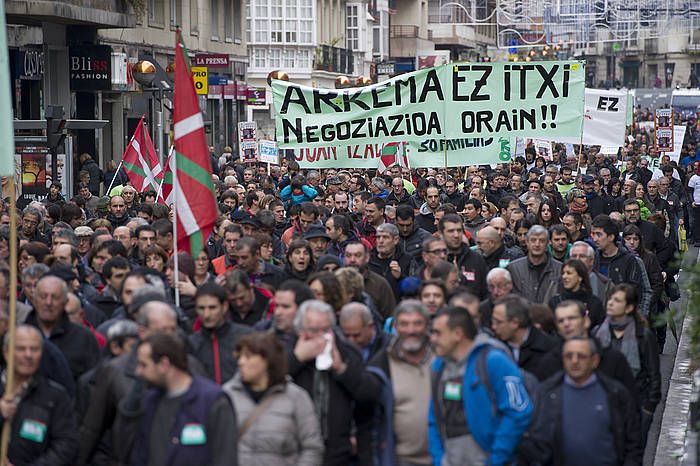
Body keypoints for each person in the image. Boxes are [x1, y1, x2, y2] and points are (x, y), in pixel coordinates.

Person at [428, 306, 532, 466]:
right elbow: (434, 418)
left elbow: (518, 412)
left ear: (457, 334)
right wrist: (439, 460)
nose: (432, 339)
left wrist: (496, 459)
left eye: (438, 333)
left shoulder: (493, 361)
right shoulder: (438, 367)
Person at [131, 332, 238, 466]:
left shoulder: (212, 401)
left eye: (144, 365)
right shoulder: (150, 402)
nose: (138, 371)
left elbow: (225, 458)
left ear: (164, 364)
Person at [285, 300, 370, 466]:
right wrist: (296, 359)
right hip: (294, 449)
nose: (320, 337)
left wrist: (341, 369)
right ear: (300, 330)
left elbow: (365, 393)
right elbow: (269, 383)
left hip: (339, 450)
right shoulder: (286, 348)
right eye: (313, 331)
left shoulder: (348, 352)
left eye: (325, 330)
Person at [536, 337, 643, 465]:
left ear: (594, 360)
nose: (574, 361)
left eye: (581, 356)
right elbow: (536, 441)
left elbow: (633, 442)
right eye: (569, 356)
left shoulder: (615, 393)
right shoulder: (546, 393)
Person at [223, 332, 324, 465]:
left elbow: (312, 448)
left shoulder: (296, 397)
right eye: (240, 357)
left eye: (248, 357)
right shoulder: (227, 395)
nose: (241, 362)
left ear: (267, 361)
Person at [359, 300, 434, 466]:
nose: (411, 330)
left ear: (427, 325)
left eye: (417, 323)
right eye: (404, 324)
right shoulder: (381, 365)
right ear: (395, 327)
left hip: (442, 458)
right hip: (398, 459)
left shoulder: (442, 360)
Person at [0, 325, 79, 465]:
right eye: (21, 349)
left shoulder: (55, 396)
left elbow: (66, 445)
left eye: (34, 349)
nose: (28, 355)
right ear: (6, 353)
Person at [594, 284, 661, 446]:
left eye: (616, 300)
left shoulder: (643, 335)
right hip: (602, 404)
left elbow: (654, 375)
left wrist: (648, 409)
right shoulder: (598, 332)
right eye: (610, 299)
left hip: (635, 404)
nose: (610, 303)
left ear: (629, 307)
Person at [189, 282, 252, 384]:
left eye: (212, 308)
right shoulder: (191, 344)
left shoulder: (246, 336)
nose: (206, 314)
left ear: (225, 306)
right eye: (201, 308)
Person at [491, 294, 558, 376]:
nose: (493, 327)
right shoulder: (493, 348)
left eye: (498, 322)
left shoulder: (550, 349)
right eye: (493, 321)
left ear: (515, 323)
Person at [506, 225, 562, 304]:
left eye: (542, 241)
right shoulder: (513, 268)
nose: (537, 244)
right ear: (527, 242)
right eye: (533, 240)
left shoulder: (560, 269)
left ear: (547, 244)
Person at [439, 214, 488, 299]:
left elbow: (485, 291)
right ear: (441, 233)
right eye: (451, 231)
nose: (456, 235)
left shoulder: (476, 259)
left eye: (459, 230)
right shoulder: (437, 260)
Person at [548, 259, 606, 327]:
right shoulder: (555, 302)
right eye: (563, 273)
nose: (564, 276)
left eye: (569, 273)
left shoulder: (594, 303)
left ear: (580, 277)